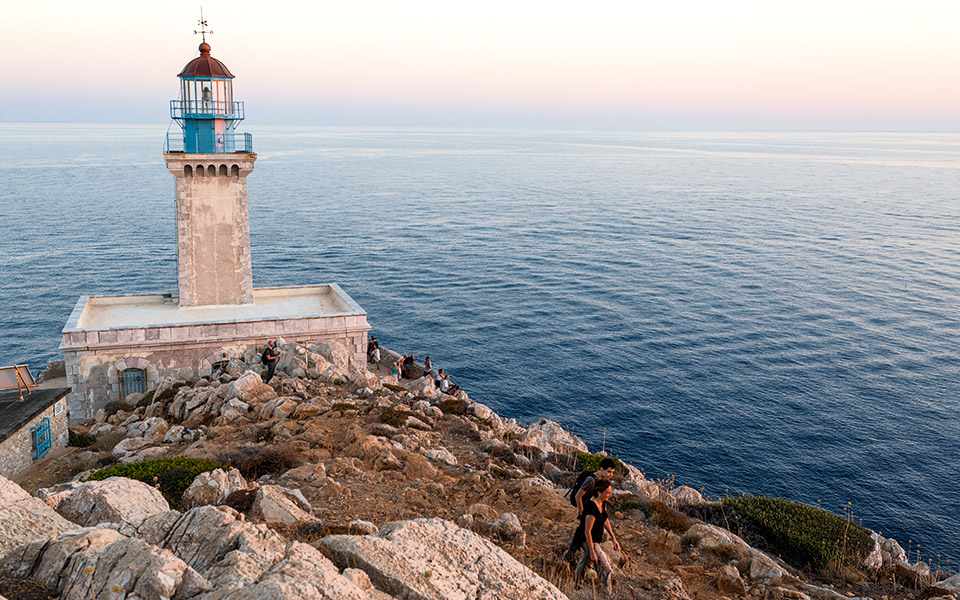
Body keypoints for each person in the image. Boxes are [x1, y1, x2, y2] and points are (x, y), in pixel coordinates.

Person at [564, 457, 618, 563]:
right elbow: (578, 496)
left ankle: (574, 558)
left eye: (612, 473)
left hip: (592, 508)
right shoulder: (591, 480)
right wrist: (582, 512)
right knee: (583, 532)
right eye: (609, 472)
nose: (610, 475)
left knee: (582, 532)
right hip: (586, 509)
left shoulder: (603, 480)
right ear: (601, 469)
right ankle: (569, 558)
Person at [574, 480, 619, 595]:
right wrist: (593, 551)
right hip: (587, 539)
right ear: (599, 492)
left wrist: (613, 538)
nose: (610, 495)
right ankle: (608, 594)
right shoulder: (591, 507)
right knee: (606, 567)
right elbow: (587, 531)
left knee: (585, 562)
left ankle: (577, 585)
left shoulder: (602, 503)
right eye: (608, 492)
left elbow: (605, 519)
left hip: (595, 540)